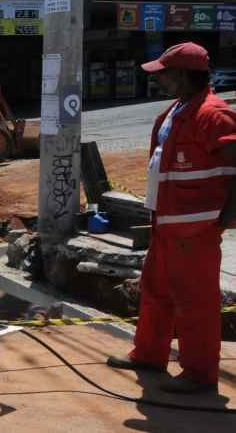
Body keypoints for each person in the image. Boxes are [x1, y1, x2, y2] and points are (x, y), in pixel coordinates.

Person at [107, 42, 236, 394]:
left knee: (196, 302)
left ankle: (199, 372)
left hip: (195, 229)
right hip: (166, 223)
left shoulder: (214, 114)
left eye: (164, 73)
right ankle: (149, 353)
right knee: (156, 291)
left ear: (182, 75)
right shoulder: (175, 112)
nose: (159, 80)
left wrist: (226, 219)